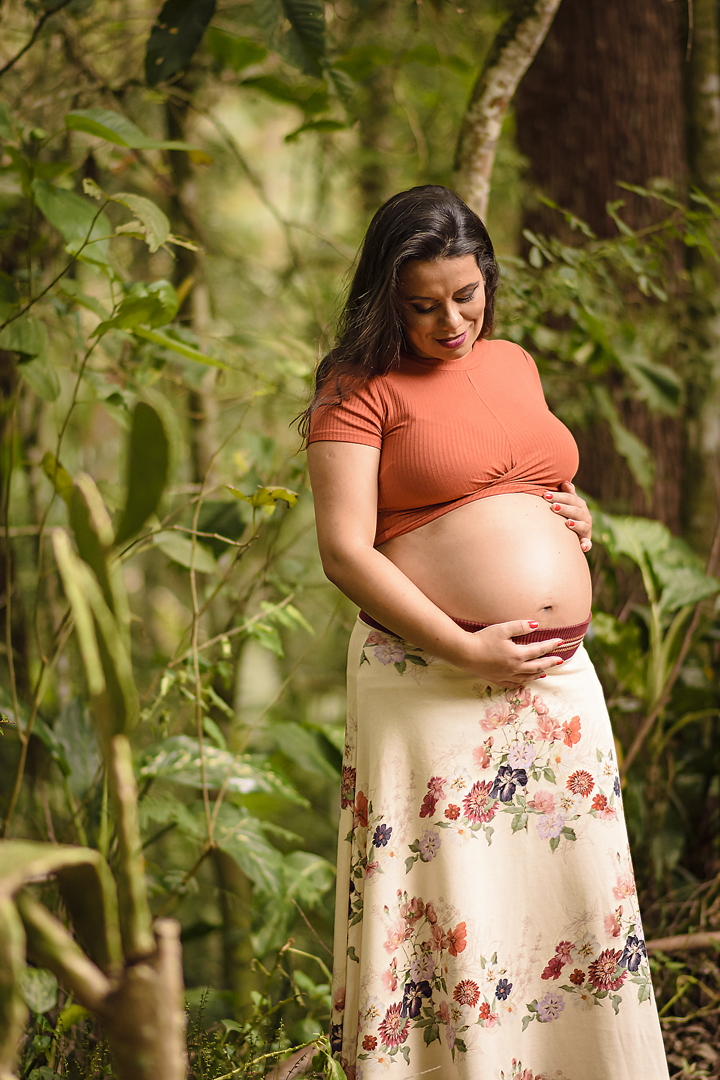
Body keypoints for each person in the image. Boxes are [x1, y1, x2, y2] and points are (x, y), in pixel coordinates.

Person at [302, 186, 668, 1080]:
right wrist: (463, 646)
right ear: (387, 299)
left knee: (571, 895)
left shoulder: (513, 363)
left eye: (466, 296)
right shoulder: (355, 389)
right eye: (422, 306)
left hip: (555, 681)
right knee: (454, 897)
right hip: (430, 675)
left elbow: (520, 472)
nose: (451, 322)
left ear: (488, 280)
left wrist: (571, 515)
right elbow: (345, 552)